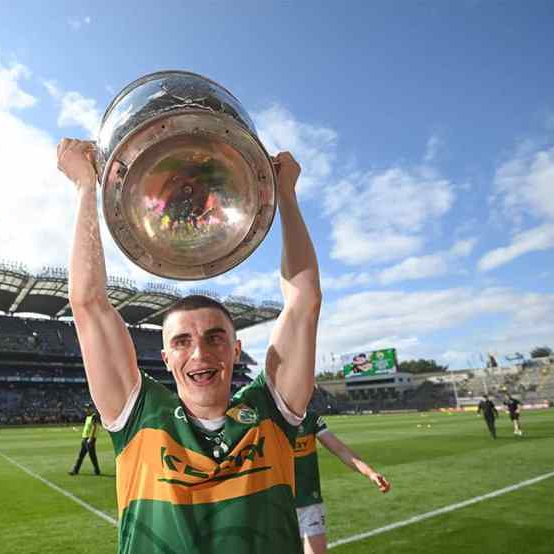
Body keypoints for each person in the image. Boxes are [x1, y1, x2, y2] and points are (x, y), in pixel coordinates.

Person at [58, 139, 321, 554]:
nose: (200, 354)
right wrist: (85, 188)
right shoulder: (139, 416)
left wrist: (286, 195)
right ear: (166, 358)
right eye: (182, 342)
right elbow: (88, 304)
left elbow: (304, 303)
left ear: (236, 351)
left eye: (215, 337)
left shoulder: (271, 412)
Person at [294, 411, 390, 554]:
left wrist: (370, 473)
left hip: (309, 503)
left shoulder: (311, 419)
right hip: (277, 503)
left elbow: (341, 450)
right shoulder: (267, 416)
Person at [69, 408, 101, 475]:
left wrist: (90, 438)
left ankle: (97, 471)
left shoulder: (93, 417)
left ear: (91, 409)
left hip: (89, 440)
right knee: (81, 456)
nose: (86, 410)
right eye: (86, 409)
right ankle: (75, 470)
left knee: (92, 456)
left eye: (88, 409)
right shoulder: (88, 417)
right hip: (85, 439)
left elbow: (94, 427)